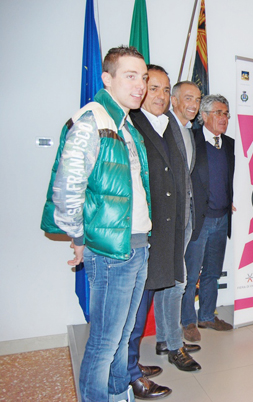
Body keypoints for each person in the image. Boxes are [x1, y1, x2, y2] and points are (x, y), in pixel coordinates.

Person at [41, 46, 150, 402]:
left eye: (143, 77)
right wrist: (78, 237)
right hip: (111, 251)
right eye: (130, 76)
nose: (140, 85)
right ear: (107, 78)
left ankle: (118, 394)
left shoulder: (126, 125)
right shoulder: (92, 120)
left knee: (122, 335)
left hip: (137, 244)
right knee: (104, 341)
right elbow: (66, 189)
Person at [128, 65, 202, 399]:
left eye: (164, 89)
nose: (159, 95)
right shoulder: (132, 124)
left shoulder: (169, 125)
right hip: (147, 230)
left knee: (170, 285)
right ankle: (135, 367)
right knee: (139, 303)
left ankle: (146, 356)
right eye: (153, 88)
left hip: (174, 225)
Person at [182, 94, 235, 333]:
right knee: (191, 274)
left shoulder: (230, 144)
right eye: (218, 113)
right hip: (198, 220)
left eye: (226, 114)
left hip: (222, 219)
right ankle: (187, 321)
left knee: (212, 273)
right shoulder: (190, 140)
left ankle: (206, 316)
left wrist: (229, 200)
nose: (224, 118)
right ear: (203, 116)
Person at [169, 81, 202, 341]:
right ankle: (170, 337)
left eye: (198, 100)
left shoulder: (189, 132)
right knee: (172, 279)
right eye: (188, 98)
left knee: (180, 277)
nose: (194, 104)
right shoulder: (165, 128)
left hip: (188, 214)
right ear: (174, 100)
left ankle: (171, 335)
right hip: (170, 217)